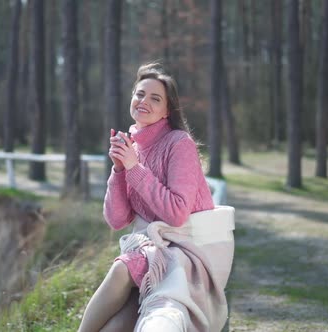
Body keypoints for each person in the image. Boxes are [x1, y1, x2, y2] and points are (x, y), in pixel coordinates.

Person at [78, 63, 233, 332]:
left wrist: (133, 168)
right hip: (155, 248)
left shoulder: (178, 143)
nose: (144, 101)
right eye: (139, 94)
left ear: (167, 110)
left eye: (155, 98)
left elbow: (176, 213)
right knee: (113, 328)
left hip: (187, 250)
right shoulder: (133, 147)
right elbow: (116, 220)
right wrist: (119, 169)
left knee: (121, 269)